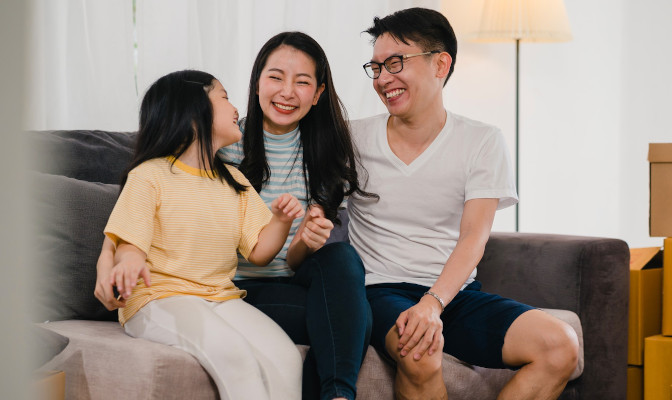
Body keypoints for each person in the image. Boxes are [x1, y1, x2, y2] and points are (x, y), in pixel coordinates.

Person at [95, 32, 373, 400]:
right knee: (351, 320)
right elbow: (130, 232)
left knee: (336, 285)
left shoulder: (240, 179)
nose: (287, 91)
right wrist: (115, 264)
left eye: (302, 82)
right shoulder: (184, 161)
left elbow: (262, 248)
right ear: (256, 81)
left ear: (318, 93)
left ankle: (339, 394)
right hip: (193, 293)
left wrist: (291, 226)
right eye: (276, 76)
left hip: (235, 292)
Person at [348, 8, 580, 400]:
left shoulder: (481, 141)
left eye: (395, 63)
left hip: (452, 294)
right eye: (375, 67)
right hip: (378, 290)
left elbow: (474, 236)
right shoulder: (353, 139)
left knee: (561, 346)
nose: (384, 78)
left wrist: (432, 303)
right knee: (419, 349)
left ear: (441, 64)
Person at [102, 70, 304, 400]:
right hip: (158, 299)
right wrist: (127, 262)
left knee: (286, 359)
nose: (235, 106)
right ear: (193, 112)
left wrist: (280, 221)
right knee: (233, 355)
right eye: (224, 97)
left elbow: (260, 251)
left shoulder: (235, 180)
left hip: (220, 297)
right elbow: (131, 242)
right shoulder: (150, 175)